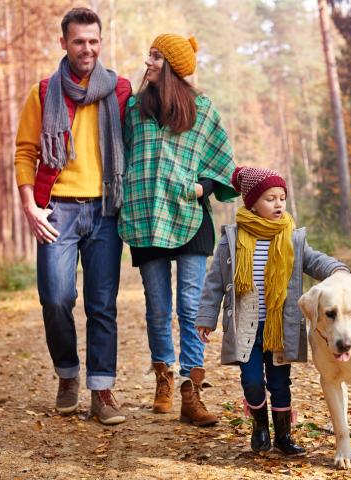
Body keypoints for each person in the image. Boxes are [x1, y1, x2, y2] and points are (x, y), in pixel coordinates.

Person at [13, 8, 131, 425]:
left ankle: (102, 391)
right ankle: (67, 374)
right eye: (79, 41)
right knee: (56, 298)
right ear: (64, 43)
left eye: (94, 41)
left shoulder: (119, 90)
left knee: (103, 305)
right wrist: (30, 205)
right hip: (56, 209)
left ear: (101, 42)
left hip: (105, 209)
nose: (88, 48)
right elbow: (26, 151)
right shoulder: (44, 91)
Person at [118, 33, 237, 426]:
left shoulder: (202, 109)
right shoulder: (134, 107)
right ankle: (163, 376)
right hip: (146, 216)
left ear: (171, 65)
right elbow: (123, 155)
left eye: (155, 56)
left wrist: (201, 186)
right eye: (149, 54)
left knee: (189, 305)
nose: (147, 61)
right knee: (157, 308)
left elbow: (222, 160)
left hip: (190, 217)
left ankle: (191, 388)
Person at [195, 166, 348, 455]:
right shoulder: (232, 239)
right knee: (252, 381)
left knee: (280, 382)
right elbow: (214, 281)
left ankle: (283, 436)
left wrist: (339, 270)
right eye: (270, 198)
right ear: (251, 203)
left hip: (280, 325)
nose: (278, 204)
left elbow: (315, 261)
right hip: (245, 324)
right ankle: (260, 426)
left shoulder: (292, 238)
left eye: (282, 197)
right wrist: (206, 317)